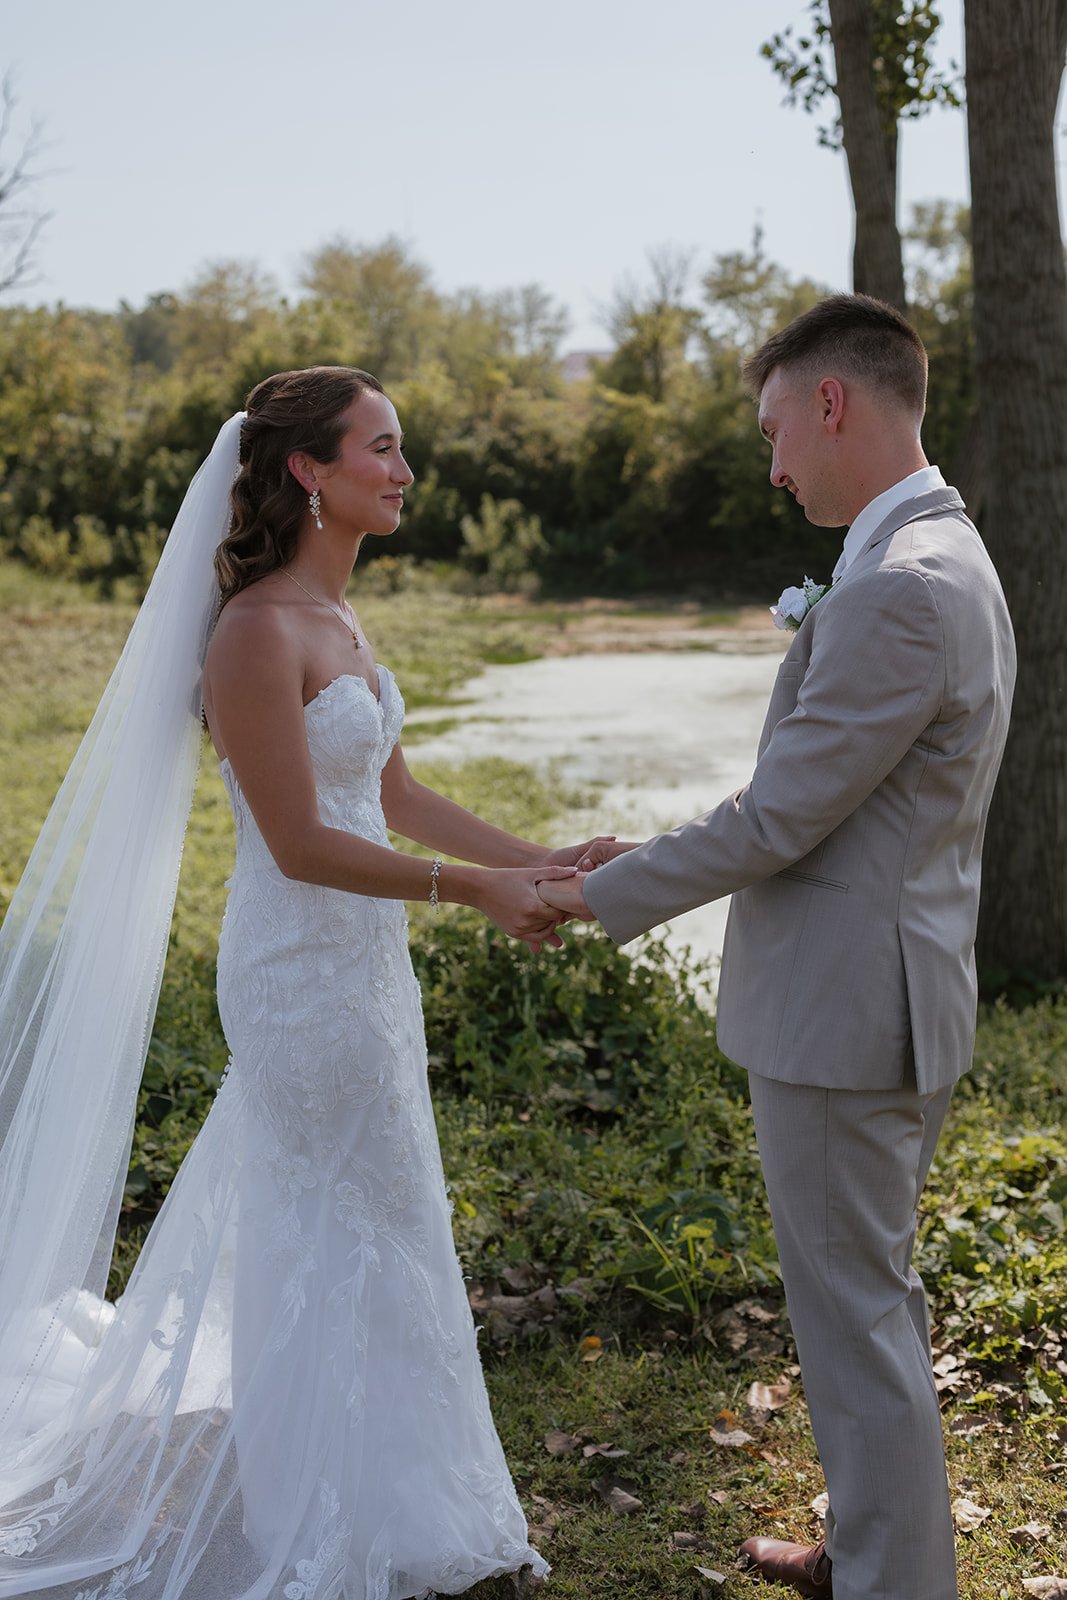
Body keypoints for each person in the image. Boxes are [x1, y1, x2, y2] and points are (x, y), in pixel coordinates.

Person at [0, 366, 599, 1599]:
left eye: (400, 447)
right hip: (294, 973)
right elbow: (299, 843)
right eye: (380, 447)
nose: (404, 469)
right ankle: (323, 1511)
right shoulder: (254, 631)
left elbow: (394, 797)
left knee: (381, 1213)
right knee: (332, 1220)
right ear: (307, 471)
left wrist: (540, 860)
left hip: (364, 967)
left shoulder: (341, 618)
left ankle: (401, 1495)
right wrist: (471, 894)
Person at [540, 295, 1016, 1600]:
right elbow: (827, 805)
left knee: (855, 1317)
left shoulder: (897, 588)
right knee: (865, 1303)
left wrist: (600, 894)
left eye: (770, 430)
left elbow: (777, 817)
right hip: (887, 995)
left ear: (829, 402)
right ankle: (872, 1549)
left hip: (847, 1015)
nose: (768, 466)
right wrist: (632, 852)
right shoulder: (936, 555)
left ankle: (889, 1585)